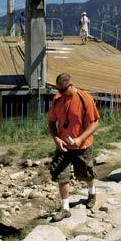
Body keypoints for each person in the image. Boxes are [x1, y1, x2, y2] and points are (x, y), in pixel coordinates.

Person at [47, 73, 101, 221]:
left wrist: (80, 139)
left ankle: (91, 192)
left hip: (82, 146)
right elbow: (51, 122)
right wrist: (56, 138)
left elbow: (95, 123)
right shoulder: (57, 100)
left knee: (86, 173)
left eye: (62, 90)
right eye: (58, 90)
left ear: (70, 85)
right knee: (61, 175)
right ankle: (65, 208)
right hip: (63, 147)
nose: (60, 93)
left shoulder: (85, 99)